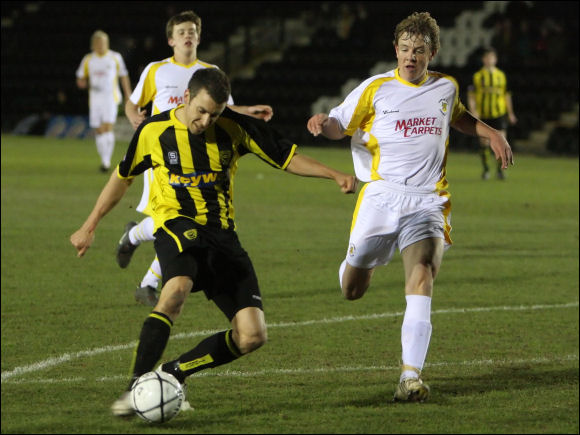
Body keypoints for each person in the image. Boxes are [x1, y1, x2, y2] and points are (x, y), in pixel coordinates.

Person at [70, 67, 358, 417]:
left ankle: (174, 372)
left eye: (215, 114)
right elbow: (123, 176)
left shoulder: (235, 128)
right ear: (186, 97)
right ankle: (135, 388)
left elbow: (285, 156)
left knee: (252, 336)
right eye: (201, 111)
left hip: (222, 235)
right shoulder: (154, 131)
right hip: (176, 224)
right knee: (175, 289)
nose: (206, 120)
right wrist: (90, 224)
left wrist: (334, 174)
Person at [307, 12, 513, 402]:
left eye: (419, 51)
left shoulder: (445, 88)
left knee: (422, 275)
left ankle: (410, 376)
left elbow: (459, 118)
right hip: (382, 196)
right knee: (352, 290)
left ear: (432, 52)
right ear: (396, 51)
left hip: (428, 200)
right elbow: (340, 123)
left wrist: (492, 132)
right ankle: (356, 261)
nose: (410, 57)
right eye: (404, 49)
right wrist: (323, 123)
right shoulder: (376, 88)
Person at [117, 10, 275, 307]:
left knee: (182, 219)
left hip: (202, 155)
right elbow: (132, 103)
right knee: (177, 218)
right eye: (181, 32)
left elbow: (225, 111)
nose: (187, 35)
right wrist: (135, 121)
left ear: (199, 37)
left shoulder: (210, 71)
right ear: (170, 40)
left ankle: (137, 247)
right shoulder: (157, 70)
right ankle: (145, 271)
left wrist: (249, 110)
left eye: (192, 31)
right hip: (164, 155)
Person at [76, 30, 132, 172]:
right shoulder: (88, 59)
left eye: (103, 42)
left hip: (110, 98)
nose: (101, 45)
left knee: (107, 127)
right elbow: (80, 79)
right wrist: (84, 83)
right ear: (93, 45)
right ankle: (104, 159)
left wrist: (128, 94)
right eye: (98, 43)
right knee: (99, 130)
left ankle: (106, 162)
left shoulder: (114, 57)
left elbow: (123, 76)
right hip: (95, 99)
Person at [467, 47, 517, 180]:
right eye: (487, 57)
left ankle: (500, 170)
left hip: (499, 114)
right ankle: (486, 169)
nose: (489, 60)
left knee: (501, 142)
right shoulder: (477, 76)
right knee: (484, 143)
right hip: (483, 115)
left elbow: (507, 95)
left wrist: (510, 113)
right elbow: (471, 95)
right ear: (484, 59)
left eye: (492, 57)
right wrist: (474, 111)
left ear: (495, 59)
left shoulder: (501, 76)